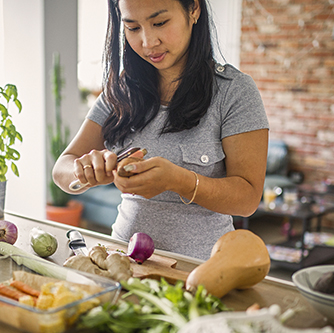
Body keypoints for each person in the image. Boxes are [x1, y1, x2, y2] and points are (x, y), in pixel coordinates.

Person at [53, 0, 269, 260]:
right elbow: (61, 171)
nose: (148, 42)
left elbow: (247, 200)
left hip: (201, 267)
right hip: (121, 258)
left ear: (194, 10)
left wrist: (179, 181)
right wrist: (87, 172)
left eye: (159, 23)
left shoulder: (234, 92)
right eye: (133, 28)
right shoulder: (120, 92)